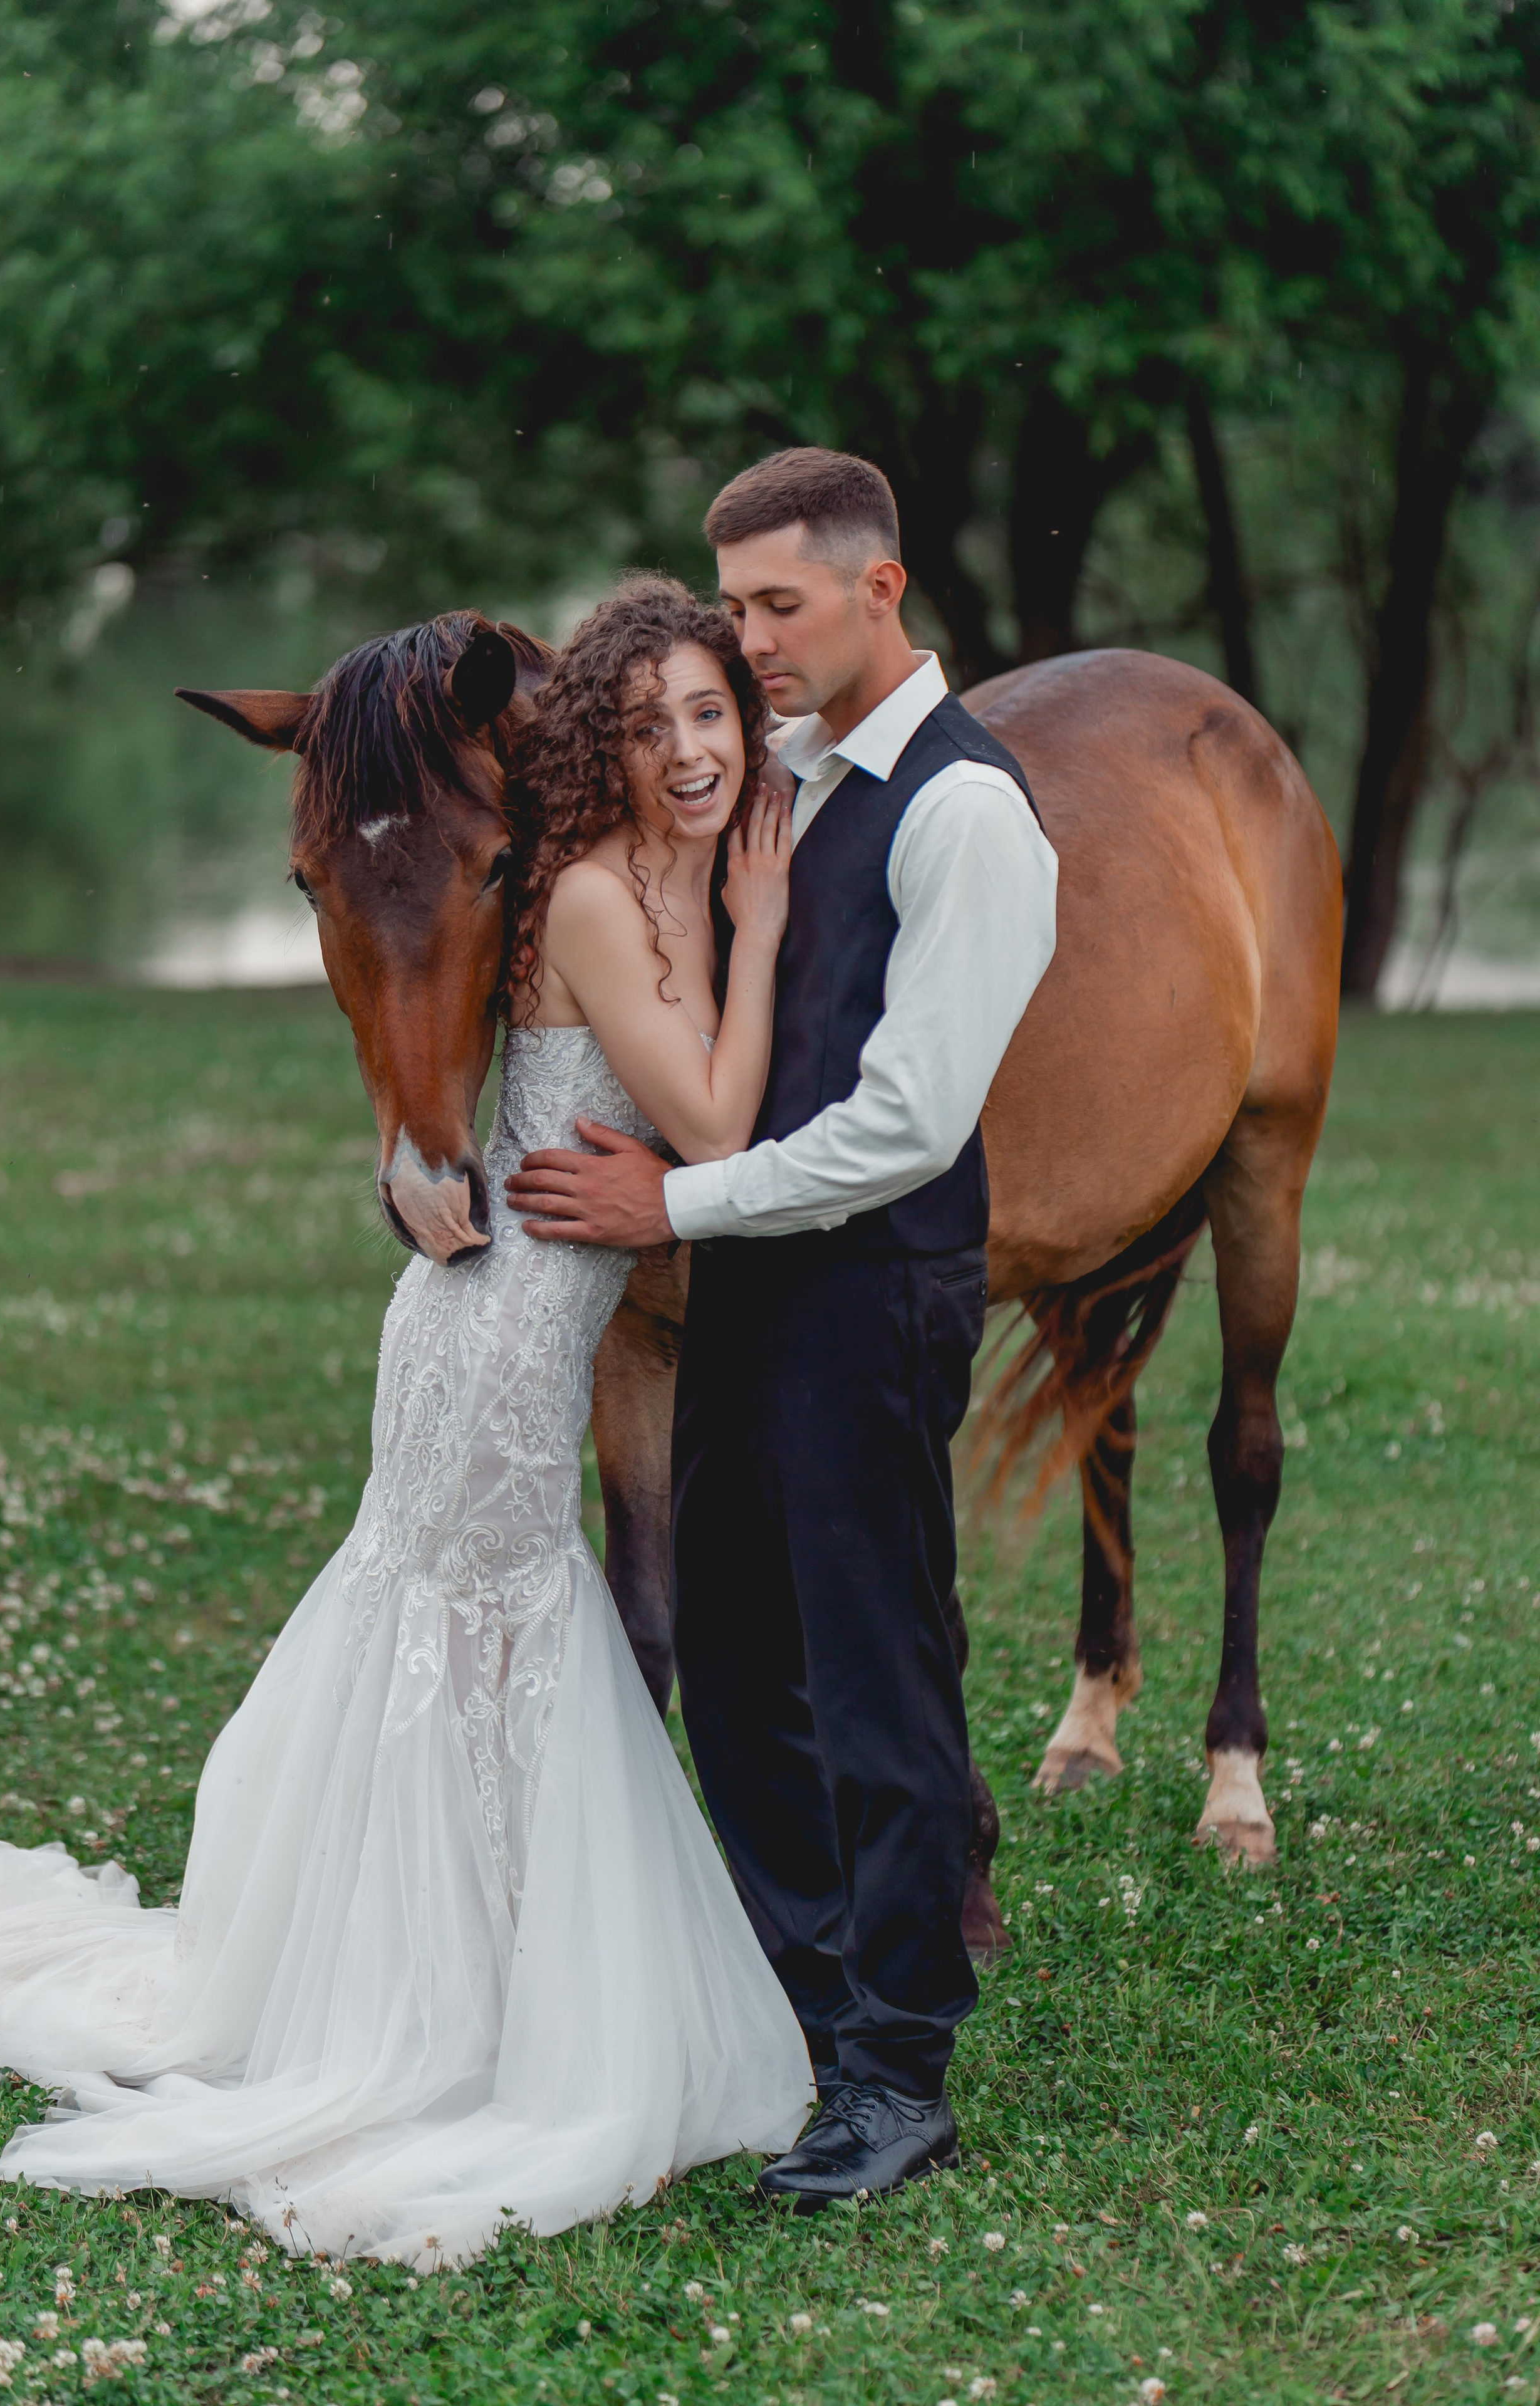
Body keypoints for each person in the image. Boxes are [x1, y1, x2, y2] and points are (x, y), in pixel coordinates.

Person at [0, 578, 811, 2266]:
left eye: (703, 723)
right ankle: (453, 2002)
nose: (680, 755)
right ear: (591, 753)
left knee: (449, 1635)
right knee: (483, 1632)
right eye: (646, 731)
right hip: (499, 1338)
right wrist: (762, 929)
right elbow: (710, 1113)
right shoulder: (595, 911)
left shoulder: (582, 885)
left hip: (475, 1316)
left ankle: (422, 1968)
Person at [507, 448, 1059, 2211]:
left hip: (875, 1289)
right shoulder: (787, 781)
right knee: (741, 1663)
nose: (745, 641)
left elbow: (906, 1120)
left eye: (776, 606)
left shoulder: (968, 814)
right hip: (751, 1286)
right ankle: (808, 2008)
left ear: (882, 586)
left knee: (875, 1672)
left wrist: (668, 1206)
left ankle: (901, 2068)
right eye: (729, 604)